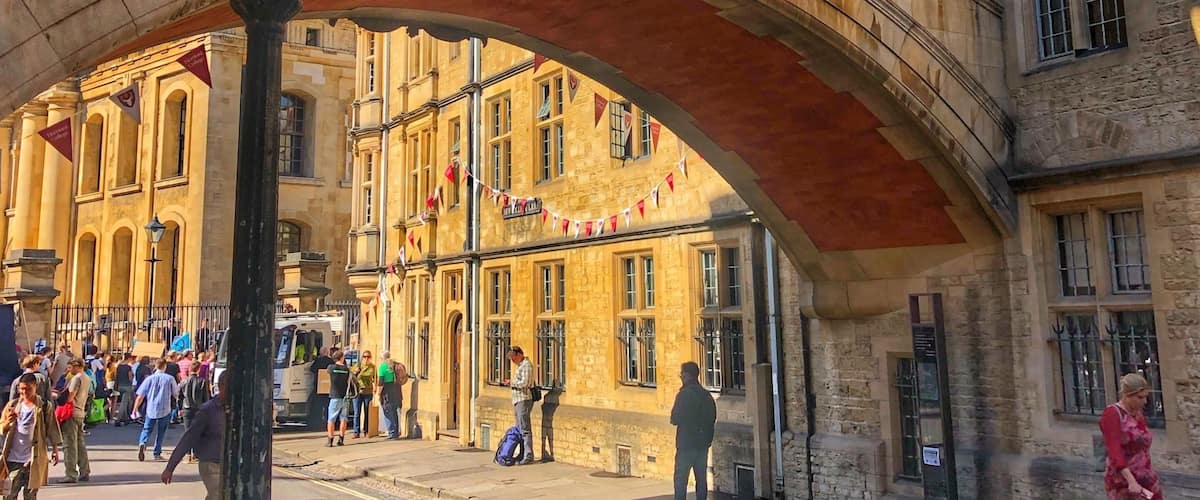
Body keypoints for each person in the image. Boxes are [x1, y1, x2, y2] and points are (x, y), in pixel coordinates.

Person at [162, 371, 228, 500]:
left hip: (230, 464)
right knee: (219, 495)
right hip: (211, 464)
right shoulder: (208, 410)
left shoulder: (239, 409)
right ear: (220, 386)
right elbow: (188, 439)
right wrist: (170, 468)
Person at [1100, 373, 1162, 500]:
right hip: (1124, 479)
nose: (1144, 402)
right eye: (1140, 397)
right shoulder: (1112, 413)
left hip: (1145, 475)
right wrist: (1131, 481)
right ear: (1127, 395)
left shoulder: (1137, 413)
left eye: (1145, 397)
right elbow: (1114, 450)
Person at [0, 373, 63, 498]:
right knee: (8, 495)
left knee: (30, 495)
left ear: (36, 386)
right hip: (13, 458)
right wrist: (8, 422)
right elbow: (2, 428)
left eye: (28, 388)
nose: (24, 392)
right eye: (22, 389)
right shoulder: (13, 405)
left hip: (34, 458)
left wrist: (55, 450)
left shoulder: (44, 406)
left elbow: (52, 428)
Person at [670, 361, 716, 500]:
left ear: (687, 375)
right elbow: (712, 418)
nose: (680, 376)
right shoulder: (706, 396)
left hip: (686, 444)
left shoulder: (684, 395)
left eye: (681, 373)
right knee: (701, 480)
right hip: (702, 445)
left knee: (680, 480)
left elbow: (674, 419)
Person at [133, 359, 179, 462]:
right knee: (161, 432)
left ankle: (142, 443)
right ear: (165, 366)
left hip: (151, 408)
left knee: (147, 429)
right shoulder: (169, 378)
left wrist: (135, 408)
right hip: (165, 408)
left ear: (156, 366)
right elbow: (176, 393)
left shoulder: (149, 379)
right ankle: (157, 453)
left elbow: (141, 395)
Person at [502, 346, 535, 465]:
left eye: (513, 357)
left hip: (523, 400)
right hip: (517, 400)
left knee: (525, 429)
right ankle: (522, 453)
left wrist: (511, 383)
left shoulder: (526, 365)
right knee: (520, 429)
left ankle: (528, 455)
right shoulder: (520, 366)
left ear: (519, 354)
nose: (513, 360)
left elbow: (525, 383)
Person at [61, 359, 92, 483]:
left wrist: (58, 396)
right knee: (80, 444)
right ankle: (85, 471)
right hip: (81, 412)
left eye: (71, 367)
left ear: (77, 366)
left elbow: (70, 397)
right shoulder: (86, 377)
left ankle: (71, 474)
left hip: (72, 413)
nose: (69, 369)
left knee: (69, 444)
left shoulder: (76, 378)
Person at [178, 362, 211, 462]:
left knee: (187, 432)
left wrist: (180, 408)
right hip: (199, 409)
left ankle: (187, 454)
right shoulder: (202, 381)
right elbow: (206, 397)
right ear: (198, 369)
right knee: (198, 432)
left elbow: (180, 397)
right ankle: (196, 454)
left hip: (187, 408)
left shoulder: (184, 382)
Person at [376, 351, 407, 439]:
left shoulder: (382, 367)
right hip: (396, 389)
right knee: (394, 411)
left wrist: (378, 394)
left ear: (382, 358)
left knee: (387, 411)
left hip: (387, 391)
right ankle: (396, 432)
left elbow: (381, 382)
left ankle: (392, 432)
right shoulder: (394, 365)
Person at [325, 351, 352, 447]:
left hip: (334, 396)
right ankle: (341, 439)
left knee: (331, 419)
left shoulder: (331, 367)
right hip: (345, 396)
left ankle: (330, 440)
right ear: (342, 358)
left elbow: (327, 372)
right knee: (343, 418)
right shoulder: (346, 369)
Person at [352, 350, 376, 438]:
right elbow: (351, 376)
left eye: (368, 357)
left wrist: (375, 387)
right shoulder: (357, 365)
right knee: (357, 412)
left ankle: (366, 430)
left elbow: (375, 378)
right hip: (357, 392)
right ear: (362, 357)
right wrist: (356, 372)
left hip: (368, 391)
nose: (366, 358)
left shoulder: (373, 367)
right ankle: (356, 432)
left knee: (367, 412)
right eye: (365, 356)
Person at [114, 354, 136, 426]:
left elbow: (116, 376)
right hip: (127, 386)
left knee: (125, 402)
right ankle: (118, 419)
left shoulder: (119, 366)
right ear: (129, 358)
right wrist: (132, 379)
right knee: (124, 403)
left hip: (120, 385)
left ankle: (126, 418)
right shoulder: (128, 367)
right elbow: (130, 377)